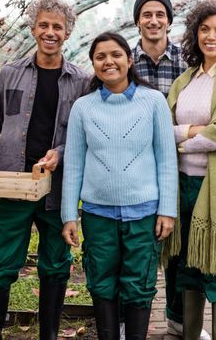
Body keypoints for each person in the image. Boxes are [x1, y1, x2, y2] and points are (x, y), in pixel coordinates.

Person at [0, 0, 91, 340]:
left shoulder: (81, 80)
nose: (50, 32)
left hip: (56, 188)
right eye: (44, 25)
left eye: (57, 27)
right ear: (33, 28)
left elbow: (85, 135)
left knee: (55, 265)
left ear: (67, 33)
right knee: (0, 265)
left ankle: (48, 334)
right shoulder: (11, 73)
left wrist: (61, 153)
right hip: (13, 184)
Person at [61, 32, 178, 340]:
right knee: (101, 283)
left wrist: (167, 210)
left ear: (129, 60)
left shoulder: (153, 101)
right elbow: (73, 164)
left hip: (144, 214)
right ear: (93, 65)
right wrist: (68, 216)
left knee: (139, 285)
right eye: (100, 57)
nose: (108, 61)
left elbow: (166, 160)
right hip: (98, 214)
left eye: (115, 55)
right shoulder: (83, 108)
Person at [165, 0, 216, 340]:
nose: (210, 36)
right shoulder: (185, 79)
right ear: (195, 33)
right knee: (186, 266)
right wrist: (196, 132)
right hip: (180, 183)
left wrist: (181, 140)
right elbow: (163, 129)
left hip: (213, 187)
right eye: (204, 29)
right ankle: (190, 334)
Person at [133, 0, 204, 339]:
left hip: (180, 165)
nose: (153, 20)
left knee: (180, 245)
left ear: (169, 21)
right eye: (146, 14)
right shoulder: (123, 61)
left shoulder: (188, 64)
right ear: (138, 21)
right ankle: (129, 318)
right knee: (139, 244)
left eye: (160, 14)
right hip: (135, 168)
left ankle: (178, 317)